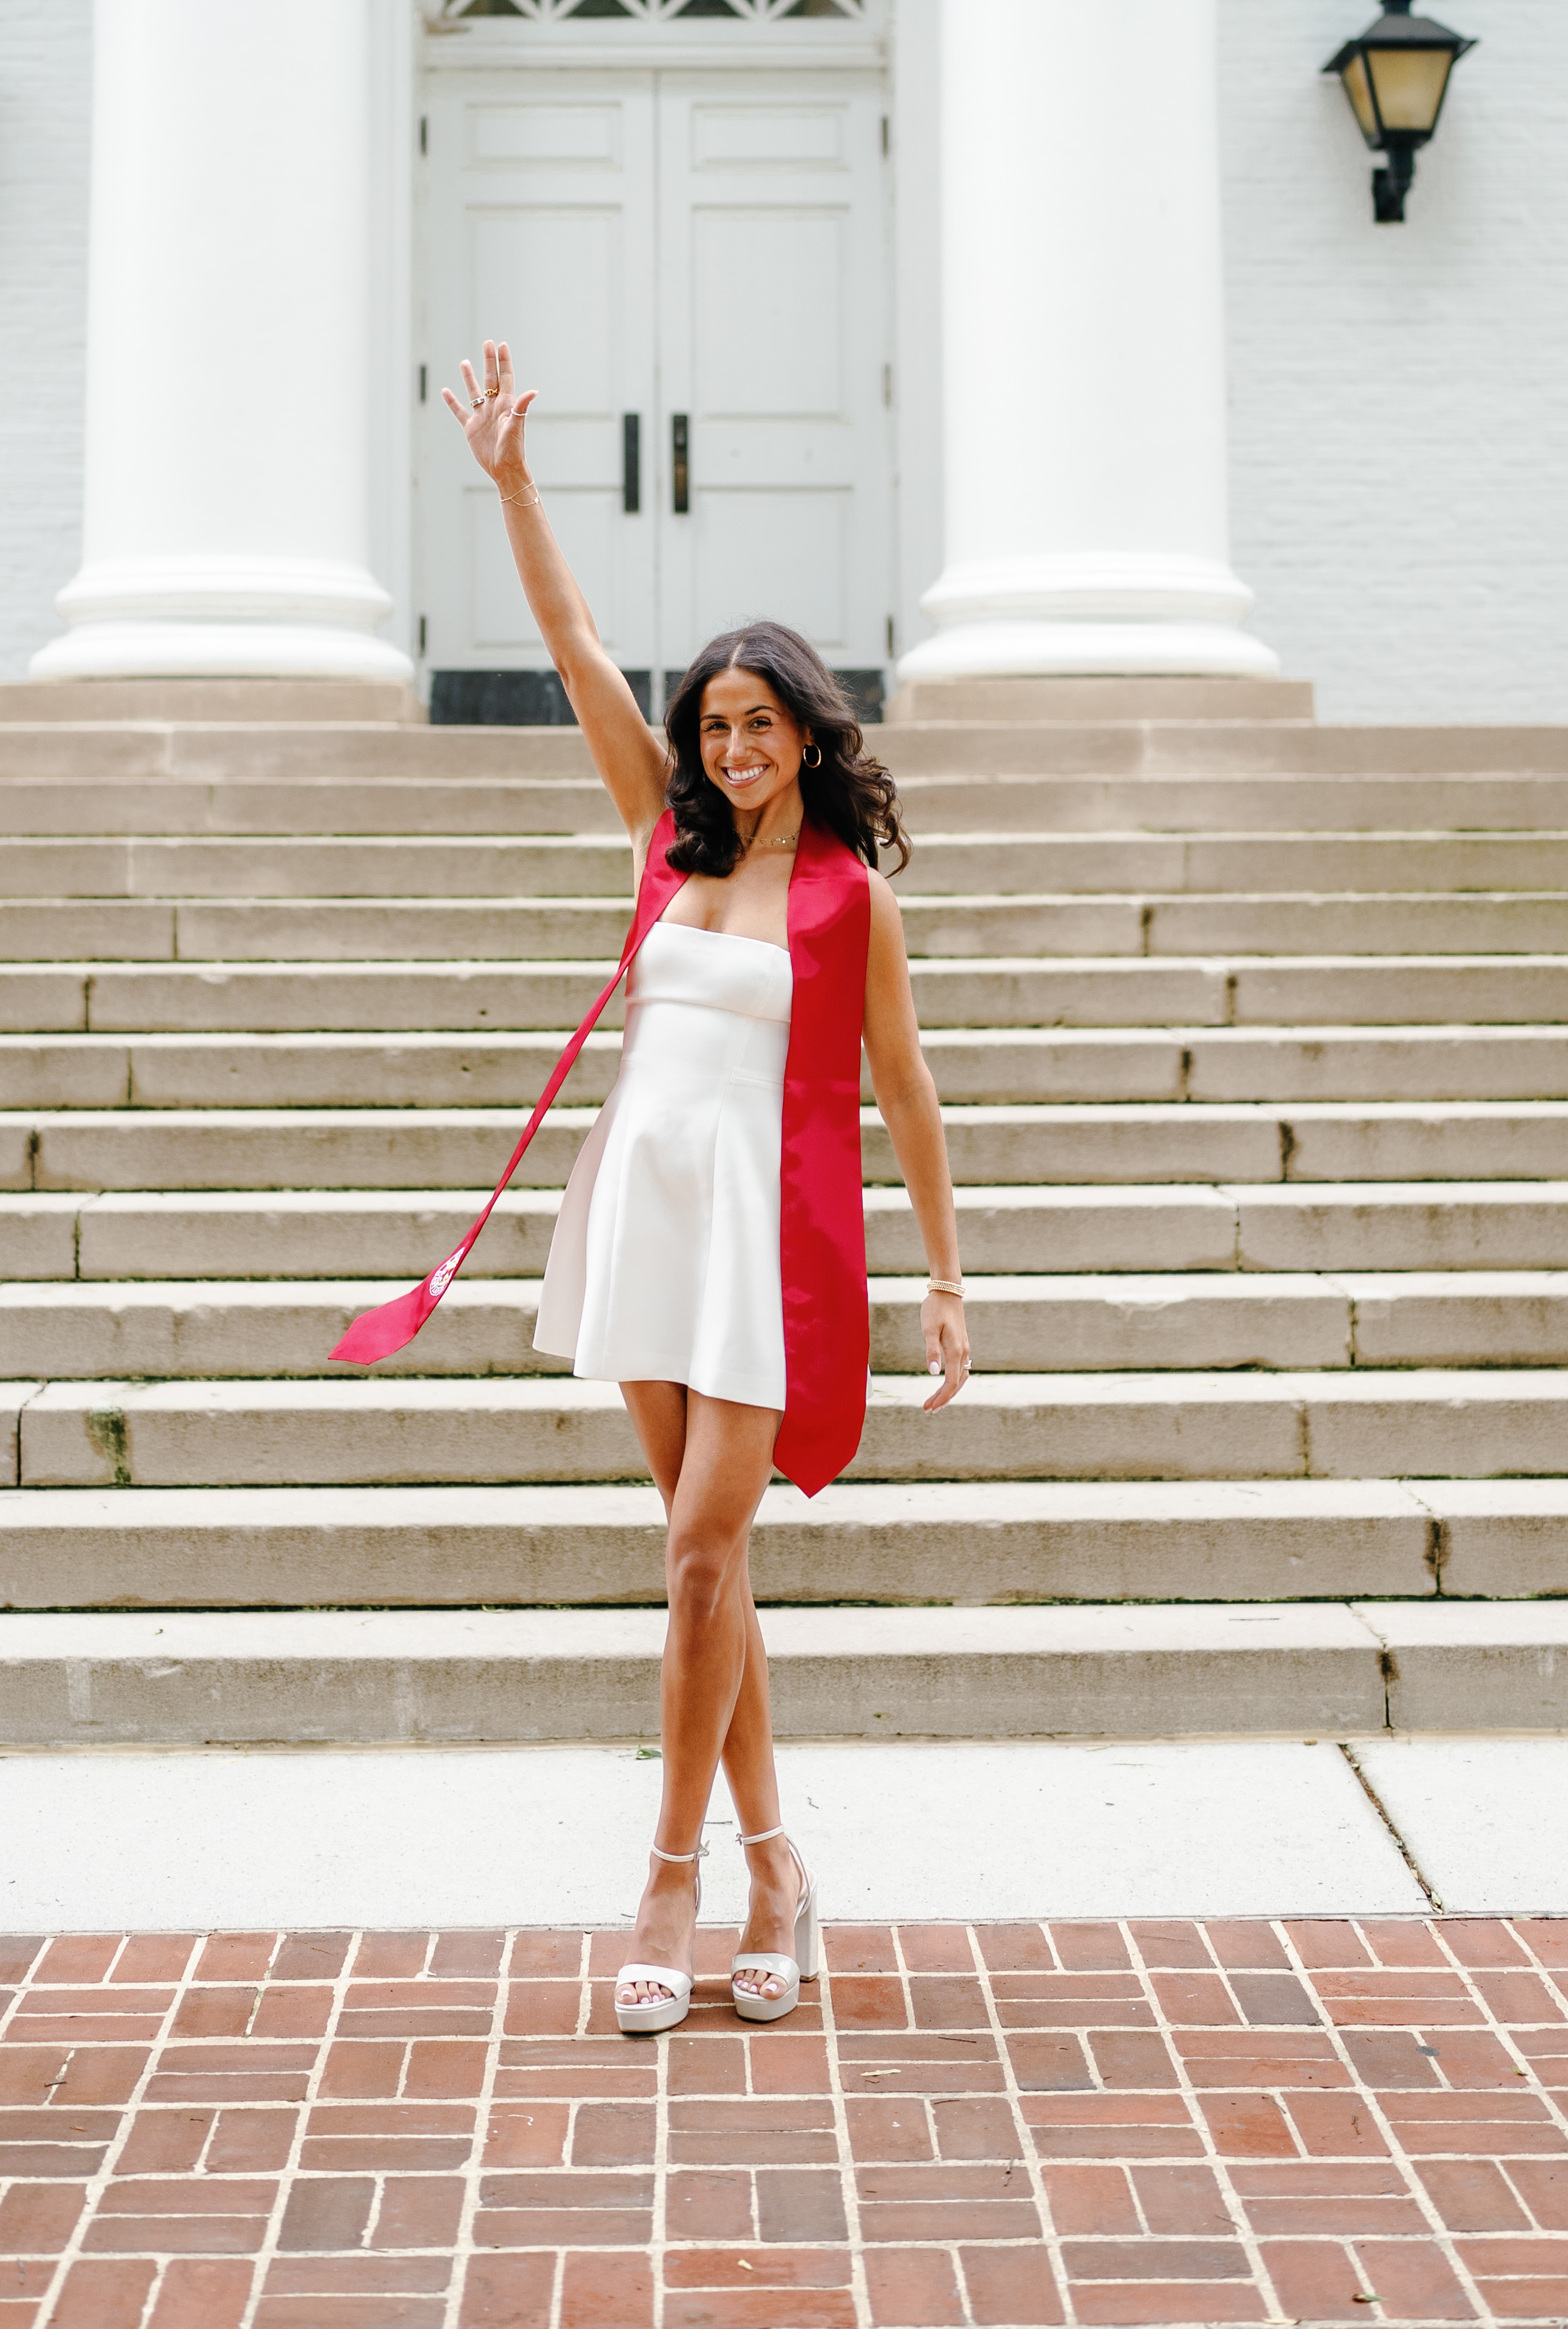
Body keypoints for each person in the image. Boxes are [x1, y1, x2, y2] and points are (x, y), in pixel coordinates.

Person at [444, 337, 969, 2035]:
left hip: (764, 1239)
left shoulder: (848, 902)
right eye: (715, 724)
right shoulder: (660, 842)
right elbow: (575, 647)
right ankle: (780, 1869)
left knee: (694, 1558)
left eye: (761, 722)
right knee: (705, 1570)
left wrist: (947, 1281)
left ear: (810, 736)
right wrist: (517, 484)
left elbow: (904, 1088)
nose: (734, 744)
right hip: (645, 1211)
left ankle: (666, 1876)